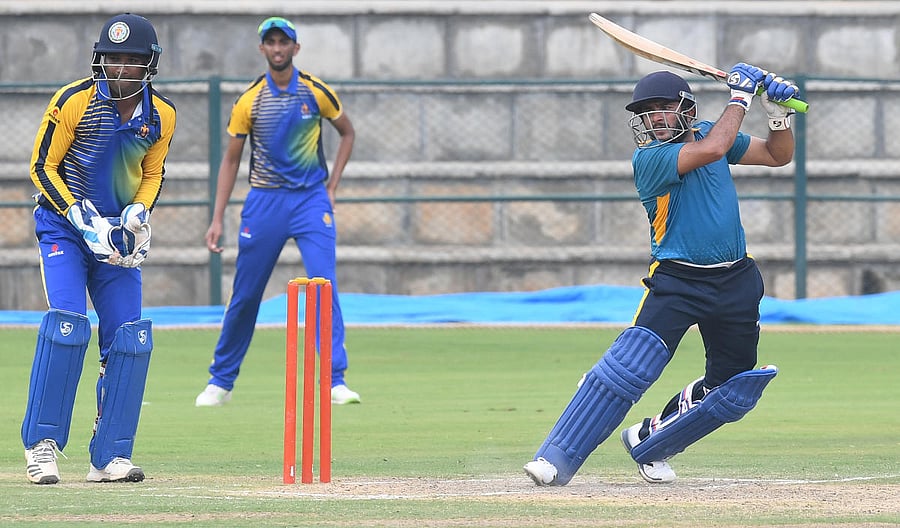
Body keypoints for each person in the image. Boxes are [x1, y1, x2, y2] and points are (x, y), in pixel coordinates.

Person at [524, 64, 799, 485]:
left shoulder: (712, 132)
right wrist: (741, 99)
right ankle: (556, 456)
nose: (654, 117)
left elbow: (778, 156)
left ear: (686, 108)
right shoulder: (651, 158)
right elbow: (711, 149)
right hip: (677, 280)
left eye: (663, 107)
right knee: (630, 367)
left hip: (736, 279)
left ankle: (652, 441)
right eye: (647, 111)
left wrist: (777, 115)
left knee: (731, 388)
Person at [22, 13, 176, 484]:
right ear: (100, 60)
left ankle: (109, 455)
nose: (121, 68)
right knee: (68, 327)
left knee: (129, 338)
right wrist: (78, 216)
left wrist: (138, 213)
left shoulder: (161, 115)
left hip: (115, 239)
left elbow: (152, 173)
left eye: (132, 60)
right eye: (113, 58)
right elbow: (42, 168)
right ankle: (42, 446)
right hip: (66, 230)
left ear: (149, 65)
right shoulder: (74, 100)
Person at [195, 16, 359, 407]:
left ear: (295, 49)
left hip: (310, 200)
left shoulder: (316, 92)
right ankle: (221, 380)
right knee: (247, 293)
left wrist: (331, 187)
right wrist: (217, 218)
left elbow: (347, 133)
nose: (278, 49)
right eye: (271, 42)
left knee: (324, 285)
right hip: (264, 200)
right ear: (263, 49)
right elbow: (231, 161)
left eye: (284, 42)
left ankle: (335, 379)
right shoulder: (249, 100)